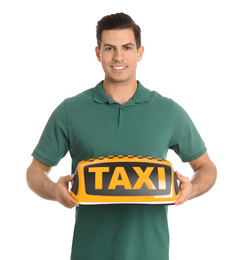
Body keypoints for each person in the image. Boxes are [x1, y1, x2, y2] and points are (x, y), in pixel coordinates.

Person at [26, 12, 217, 260]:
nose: (118, 57)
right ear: (98, 53)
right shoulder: (70, 111)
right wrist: (53, 190)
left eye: (127, 47)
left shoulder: (168, 111)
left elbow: (206, 167)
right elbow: (35, 171)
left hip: (152, 254)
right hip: (89, 253)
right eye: (109, 48)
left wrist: (191, 190)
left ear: (139, 52)